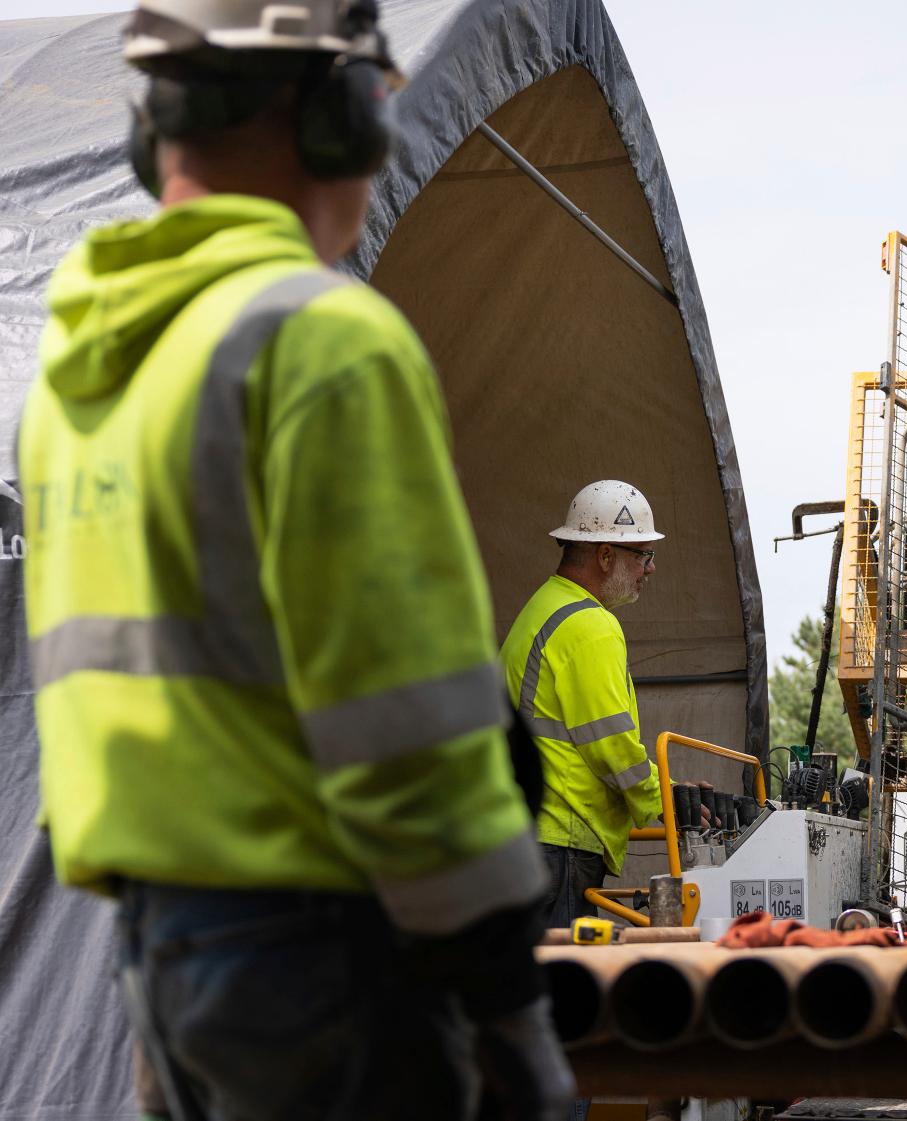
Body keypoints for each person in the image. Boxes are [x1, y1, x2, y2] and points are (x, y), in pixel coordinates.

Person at [18, 2, 571, 1117]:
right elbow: (411, 727)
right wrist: (511, 1006)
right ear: (338, 118)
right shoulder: (321, 341)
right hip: (327, 957)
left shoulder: (79, 373)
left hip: (163, 961)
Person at [501, 480, 667, 929]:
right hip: (561, 841)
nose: (649, 569)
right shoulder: (591, 625)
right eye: (643, 555)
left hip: (526, 836)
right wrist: (665, 798)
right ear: (606, 555)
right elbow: (611, 747)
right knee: (569, 986)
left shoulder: (542, 608)